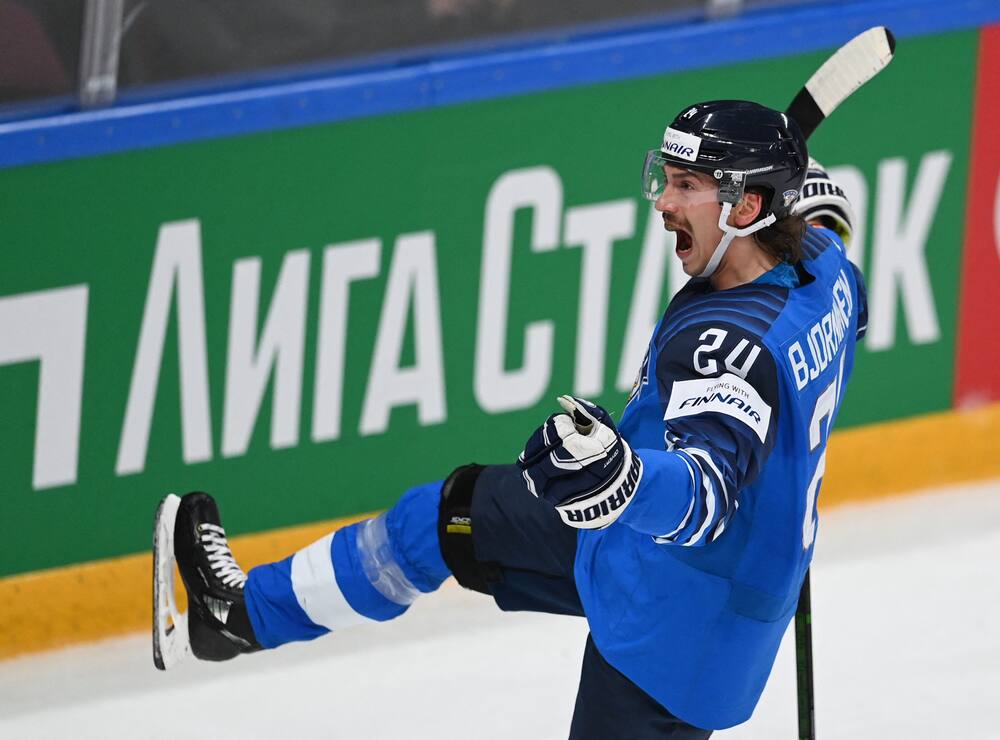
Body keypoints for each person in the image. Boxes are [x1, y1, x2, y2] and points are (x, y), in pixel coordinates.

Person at [154, 99, 867, 738]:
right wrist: (806, 211)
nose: (663, 203)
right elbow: (837, 282)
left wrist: (623, 478)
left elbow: (705, 495)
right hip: (636, 549)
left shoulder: (729, 347)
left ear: (745, 209)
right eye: (666, 177)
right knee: (448, 517)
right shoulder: (825, 268)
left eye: (686, 186)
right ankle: (238, 617)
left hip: (681, 623)